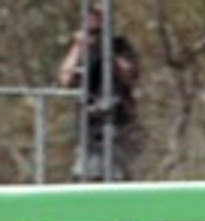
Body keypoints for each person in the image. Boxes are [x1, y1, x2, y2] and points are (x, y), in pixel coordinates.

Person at [56, 3, 141, 181]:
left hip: (118, 121)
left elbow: (129, 74)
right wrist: (79, 46)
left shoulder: (120, 45)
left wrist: (107, 49)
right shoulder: (82, 49)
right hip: (89, 123)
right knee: (86, 174)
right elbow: (65, 79)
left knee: (118, 173)